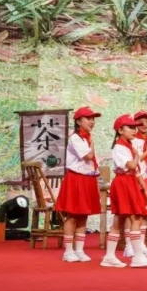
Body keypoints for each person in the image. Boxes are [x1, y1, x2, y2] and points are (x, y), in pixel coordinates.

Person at [102, 114, 147, 268]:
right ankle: (137, 256)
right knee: (134, 218)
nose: (134, 130)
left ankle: (110, 256)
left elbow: (136, 171)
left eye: (134, 127)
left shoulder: (129, 146)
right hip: (123, 182)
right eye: (130, 127)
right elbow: (131, 165)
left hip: (130, 182)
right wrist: (139, 156)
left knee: (121, 220)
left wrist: (144, 188)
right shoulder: (119, 147)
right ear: (120, 130)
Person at [55, 106, 103, 263]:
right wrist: (92, 144)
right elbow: (88, 156)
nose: (92, 121)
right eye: (88, 118)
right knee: (72, 215)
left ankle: (80, 250)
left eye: (93, 119)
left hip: (88, 178)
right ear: (78, 121)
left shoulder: (86, 138)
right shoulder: (76, 138)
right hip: (76, 179)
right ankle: (68, 251)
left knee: (83, 215)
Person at [126, 110, 147, 260]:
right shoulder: (132, 141)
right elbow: (133, 163)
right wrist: (146, 152)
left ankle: (141, 244)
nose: (144, 124)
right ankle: (129, 246)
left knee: (146, 213)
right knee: (133, 214)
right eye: (140, 122)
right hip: (135, 180)